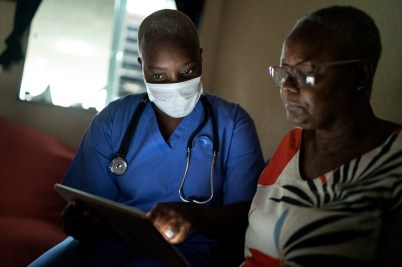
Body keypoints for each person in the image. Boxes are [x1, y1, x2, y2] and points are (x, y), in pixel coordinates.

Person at [29, 9, 265, 267]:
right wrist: (79, 220)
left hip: (188, 251)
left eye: (186, 72)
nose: (174, 85)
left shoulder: (233, 124)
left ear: (200, 58)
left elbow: (245, 216)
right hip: (111, 242)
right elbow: (86, 201)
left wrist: (195, 217)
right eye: (159, 76)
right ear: (142, 66)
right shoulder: (113, 121)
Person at [243, 5, 402, 267]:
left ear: (360, 73)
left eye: (306, 72)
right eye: (284, 72)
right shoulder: (292, 145)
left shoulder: (394, 160)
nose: (288, 87)